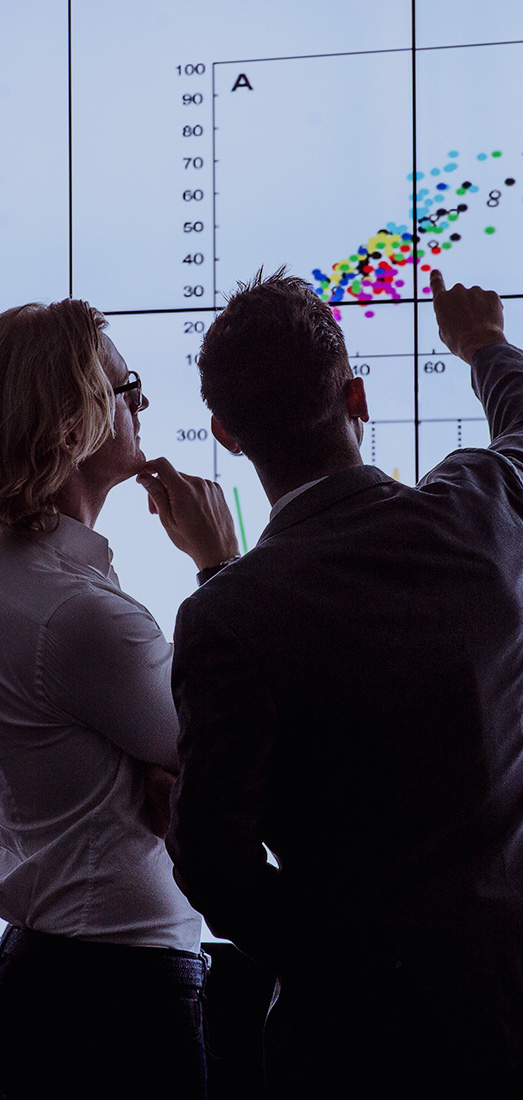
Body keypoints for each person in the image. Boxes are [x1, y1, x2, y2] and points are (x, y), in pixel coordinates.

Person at [162, 267, 523, 1097]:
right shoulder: (484, 512)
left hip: (353, 1052)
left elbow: (210, 862)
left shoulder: (225, 614)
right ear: (358, 398)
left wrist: (354, 970)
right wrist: (482, 345)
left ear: (227, 435)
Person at [0, 299, 239, 1099]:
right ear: (72, 428)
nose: (145, 403)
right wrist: (220, 567)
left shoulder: (30, 583)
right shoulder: (78, 614)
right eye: (127, 389)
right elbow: (234, 749)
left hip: (53, 972)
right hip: (117, 997)